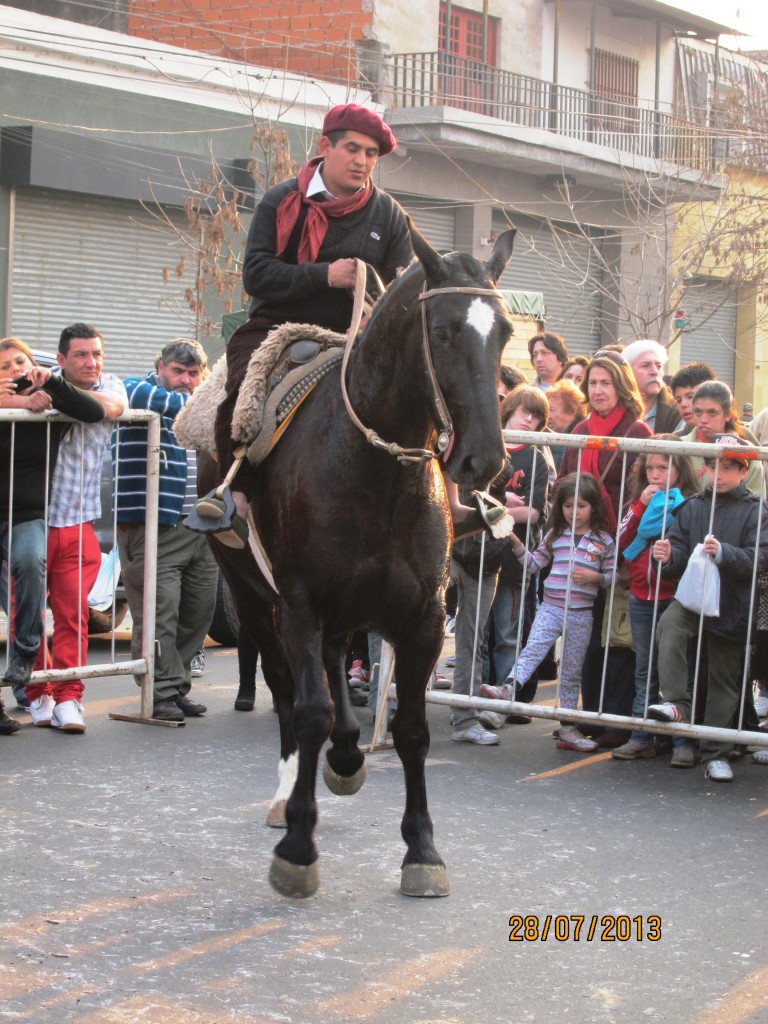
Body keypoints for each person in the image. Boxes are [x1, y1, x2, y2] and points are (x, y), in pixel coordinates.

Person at [193, 103, 414, 548]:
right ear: (325, 146)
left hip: (359, 336)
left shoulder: (389, 214)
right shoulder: (280, 200)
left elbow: (401, 285)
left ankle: (450, 498)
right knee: (242, 386)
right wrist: (325, 275)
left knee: (418, 390)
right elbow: (256, 274)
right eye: (353, 149)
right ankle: (233, 492)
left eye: (372, 154)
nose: (362, 161)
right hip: (278, 325)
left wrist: (377, 311)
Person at [23, 324, 127, 733]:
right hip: (31, 522)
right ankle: (37, 693)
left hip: (79, 522)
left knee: (73, 618)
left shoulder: (110, 384)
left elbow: (107, 408)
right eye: (81, 355)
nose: (91, 362)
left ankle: (70, 698)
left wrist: (55, 392)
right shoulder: (34, 388)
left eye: (96, 353)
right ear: (61, 360)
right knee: (26, 618)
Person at [649, 435, 768, 782]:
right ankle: (677, 705)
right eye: (713, 466)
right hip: (693, 599)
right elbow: (679, 551)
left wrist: (726, 553)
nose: (718, 474)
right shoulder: (691, 507)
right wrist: (667, 558)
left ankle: (716, 753)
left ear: (744, 471)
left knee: (724, 681)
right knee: (669, 626)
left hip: (733, 605)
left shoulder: (757, 510)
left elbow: (760, 559)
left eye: (728, 467)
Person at [0, 338, 105, 730]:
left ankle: (32, 664)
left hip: (27, 515)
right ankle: (30, 690)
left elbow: (93, 411)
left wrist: (53, 385)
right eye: (5, 365)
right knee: (15, 602)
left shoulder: (47, 399)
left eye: (20, 362)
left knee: (31, 566)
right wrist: (13, 404)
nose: (15, 370)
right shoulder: (18, 403)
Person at [113, 339, 219, 723]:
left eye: (193, 374)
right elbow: (128, 391)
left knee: (199, 612)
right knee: (159, 615)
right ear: (160, 366)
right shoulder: (134, 389)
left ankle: (175, 685)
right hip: (152, 525)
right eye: (178, 371)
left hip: (200, 525)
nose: (185, 380)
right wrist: (204, 406)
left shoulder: (198, 401)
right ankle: (159, 693)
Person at [480, 474, 615, 752]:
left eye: (581, 506)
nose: (574, 513)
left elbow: (613, 577)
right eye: (567, 506)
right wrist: (514, 540)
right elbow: (533, 564)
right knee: (532, 649)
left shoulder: (604, 541)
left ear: (594, 507)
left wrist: (595, 577)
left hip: (582, 613)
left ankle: (568, 729)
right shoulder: (555, 534)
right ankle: (507, 689)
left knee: (571, 673)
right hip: (551, 607)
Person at [558, 351, 652, 739]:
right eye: (592, 383)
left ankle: (615, 720)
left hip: (621, 547)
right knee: (588, 634)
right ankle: (590, 714)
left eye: (605, 383)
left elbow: (637, 491)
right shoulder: (580, 430)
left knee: (618, 636)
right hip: (582, 546)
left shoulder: (638, 432)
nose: (597, 390)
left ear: (621, 386)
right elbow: (564, 483)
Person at [611, 437, 700, 764]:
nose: (656, 473)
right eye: (650, 467)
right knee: (644, 669)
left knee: (676, 670)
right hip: (640, 595)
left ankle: (682, 741)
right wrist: (639, 508)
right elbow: (620, 541)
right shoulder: (638, 502)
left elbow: (694, 546)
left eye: (664, 467)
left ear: (680, 469)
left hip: (675, 597)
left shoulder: (689, 503)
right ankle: (641, 736)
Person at [486, 385, 551, 717]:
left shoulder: (536, 457)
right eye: (525, 411)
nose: (530, 419)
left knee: (508, 636)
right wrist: (504, 504)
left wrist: (492, 508)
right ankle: (474, 700)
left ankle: (506, 700)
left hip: (513, 560)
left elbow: (535, 511)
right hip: (478, 556)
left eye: (537, 415)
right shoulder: (488, 446)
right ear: (509, 408)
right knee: (479, 638)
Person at [680, 380, 762, 494]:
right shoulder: (678, 447)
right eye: (698, 412)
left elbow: (756, 504)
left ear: (728, 415)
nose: (703, 420)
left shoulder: (748, 453)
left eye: (712, 413)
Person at [621, 339, 679, 434]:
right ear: (627, 372)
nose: (655, 371)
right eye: (646, 365)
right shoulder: (613, 408)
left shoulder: (676, 413)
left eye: (659, 366)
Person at [545, 378, 586, 469]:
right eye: (546, 410)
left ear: (572, 412)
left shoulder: (581, 438)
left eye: (551, 410)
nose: (547, 416)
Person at [668, 362, 716, 433]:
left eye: (690, 397)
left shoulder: (734, 441)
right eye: (678, 400)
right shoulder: (675, 441)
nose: (683, 404)